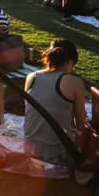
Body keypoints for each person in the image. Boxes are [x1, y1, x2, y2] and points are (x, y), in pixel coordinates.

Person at [23, 38, 87, 167]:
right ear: (70, 62)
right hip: (57, 153)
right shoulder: (75, 83)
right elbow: (81, 124)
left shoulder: (31, 76)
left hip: (29, 148)